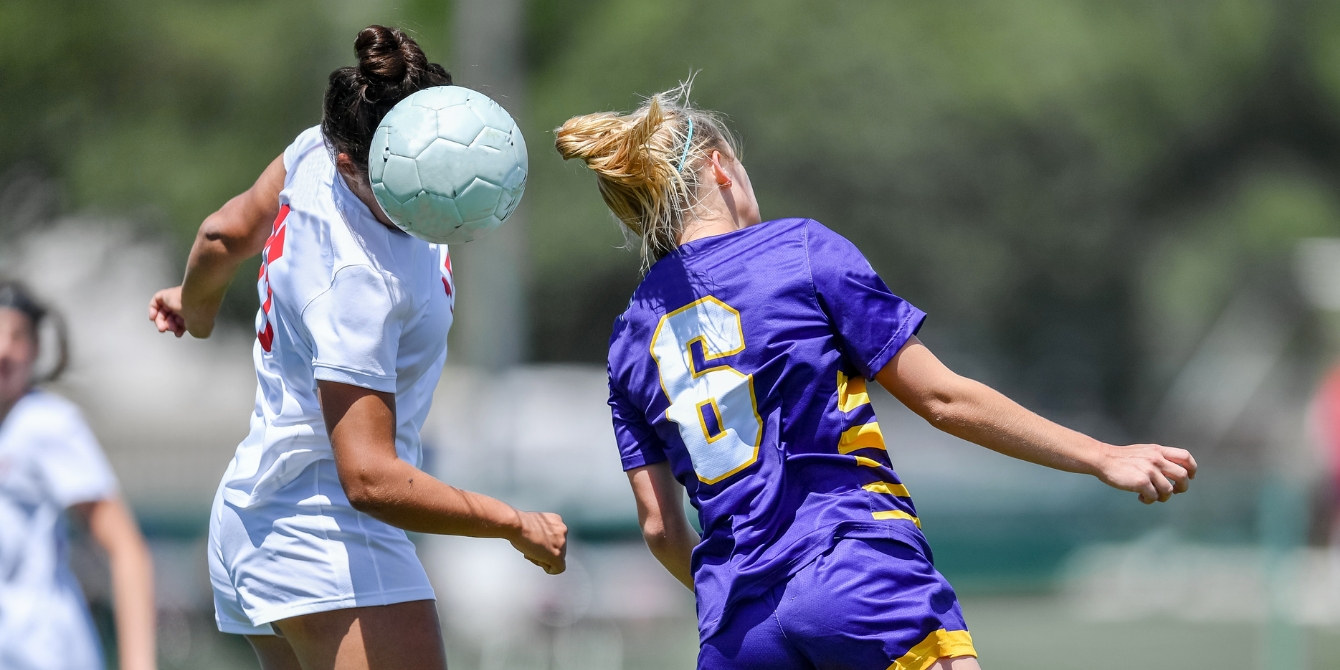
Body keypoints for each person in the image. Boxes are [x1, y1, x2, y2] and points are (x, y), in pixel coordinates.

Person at [555, 88, 1199, 670]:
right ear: (720, 167)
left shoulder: (627, 340)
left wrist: (744, 592)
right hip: (855, 572)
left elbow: (662, 531)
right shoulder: (799, 251)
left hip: (736, 628)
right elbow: (942, 399)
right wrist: (1103, 455)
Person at [146, 26, 567, 670]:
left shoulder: (320, 148)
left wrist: (193, 303)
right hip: (323, 533)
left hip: (259, 515)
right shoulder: (359, 284)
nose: (433, 189)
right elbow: (368, 476)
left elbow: (224, 233)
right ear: (351, 164)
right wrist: (510, 523)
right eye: (410, 180)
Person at [0, 281, 157, 670]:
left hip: (45, 655)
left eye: (17, 336)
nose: (4, 350)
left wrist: (138, 664)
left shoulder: (47, 424)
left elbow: (127, 550)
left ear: (35, 349)